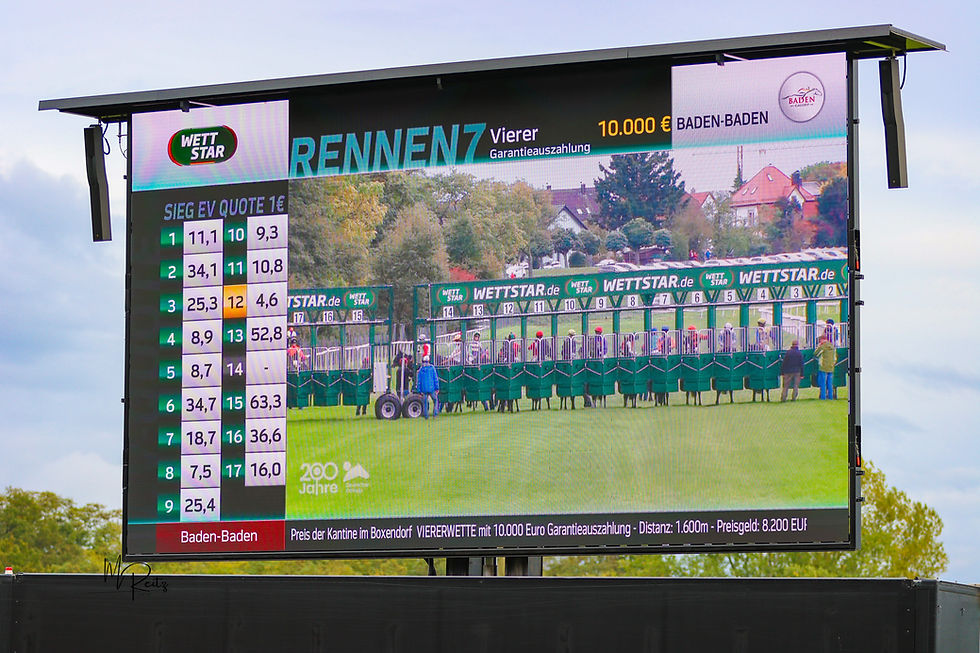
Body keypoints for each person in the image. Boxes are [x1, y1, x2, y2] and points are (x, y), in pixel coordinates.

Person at [813, 336, 837, 400]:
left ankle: (823, 397)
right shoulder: (832, 346)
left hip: (823, 367)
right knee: (830, 383)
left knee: (823, 383)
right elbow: (835, 357)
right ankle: (830, 397)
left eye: (820, 341)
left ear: (822, 340)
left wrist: (818, 346)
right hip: (831, 366)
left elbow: (815, 353)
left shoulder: (822, 347)